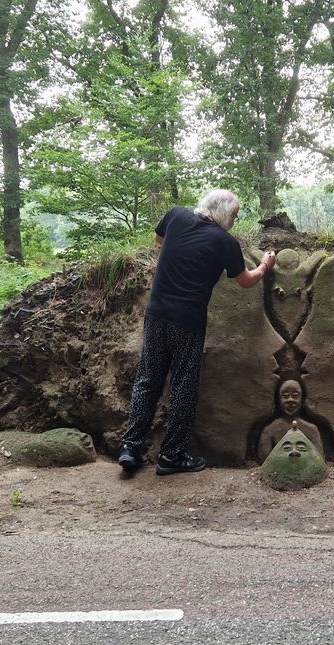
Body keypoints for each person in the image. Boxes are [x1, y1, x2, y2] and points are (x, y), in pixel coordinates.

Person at [118, 189, 277, 476]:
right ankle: (172, 456)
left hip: (156, 313)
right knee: (183, 385)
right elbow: (246, 281)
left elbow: (159, 242)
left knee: (148, 378)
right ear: (225, 215)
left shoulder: (176, 216)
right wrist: (266, 264)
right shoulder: (224, 242)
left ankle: (130, 448)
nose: (235, 221)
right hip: (188, 321)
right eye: (235, 216)